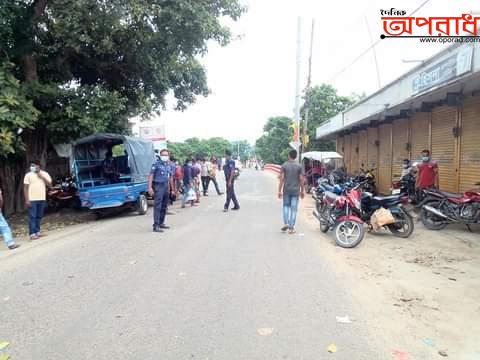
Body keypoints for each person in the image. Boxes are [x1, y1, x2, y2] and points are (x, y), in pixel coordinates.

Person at [23, 159, 52, 240]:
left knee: (39, 216)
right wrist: (27, 200)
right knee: (32, 216)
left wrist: (41, 176)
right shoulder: (28, 175)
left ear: (38, 166)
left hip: (42, 198)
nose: (32, 167)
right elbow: (25, 188)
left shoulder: (45, 174)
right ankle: (32, 233)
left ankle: (37, 232)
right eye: (31, 165)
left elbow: (50, 185)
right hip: (32, 199)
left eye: (34, 165)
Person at [278, 149, 305, 234]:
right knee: (293, 209)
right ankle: (291, 227)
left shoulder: (284, 165)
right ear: (296, 156)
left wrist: (279, 191)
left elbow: (282, 179)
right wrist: (302, 191)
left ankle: (286, 223)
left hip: (286, 190)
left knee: (286, 206)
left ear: (289, 156)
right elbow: (301, 179)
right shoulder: (299, 166)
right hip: (295, 191)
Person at [148, 149, 174, 233]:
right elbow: (151, 176)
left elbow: (170, 178)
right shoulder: (156, 164)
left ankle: (161, 223)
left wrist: (171, 189)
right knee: (158, 206)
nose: (165, 156)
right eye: (163, 155)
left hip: (166, 186)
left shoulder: (168, 165)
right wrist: (150, 187)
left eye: (166, 155)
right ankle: (156, 225)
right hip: (158, 186)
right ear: (160, 155)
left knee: (164, 206)